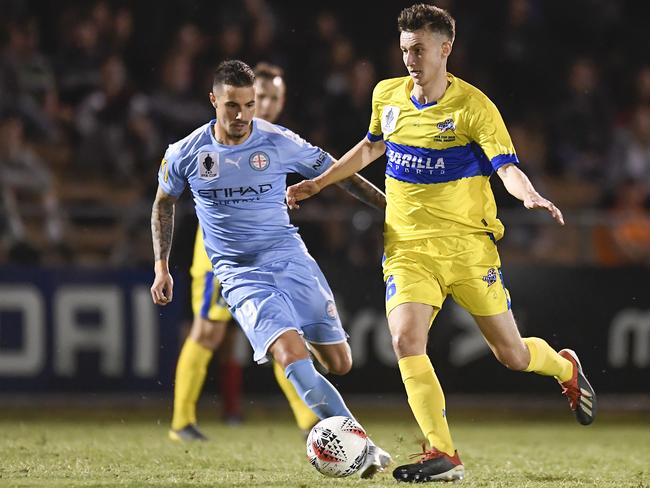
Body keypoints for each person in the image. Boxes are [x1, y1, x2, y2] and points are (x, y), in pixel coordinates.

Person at [286, 4, 597, 483]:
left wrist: (528, 193)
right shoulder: (387, 95)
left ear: (445, 49)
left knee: (512, 355)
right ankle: (443, 453)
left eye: (420, 49)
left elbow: (505, 167)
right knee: (406, 339)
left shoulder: (474, 107)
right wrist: (321, 182)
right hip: (408, 248)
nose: (411, 58)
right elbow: (371, 146)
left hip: (468, 249)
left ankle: (563, 368)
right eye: (405, 48)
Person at [151, 59, 390, 478]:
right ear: (213, 101)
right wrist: (161, 266)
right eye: (232, 106)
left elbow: (340, 172)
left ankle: (308, 381)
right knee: (285, 351)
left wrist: (390, 208)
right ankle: (361, 445)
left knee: (340, 362)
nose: (242, 115)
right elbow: (163, 202)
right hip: (239, 272)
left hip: (289, 258)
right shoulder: (186, 153)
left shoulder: (279, 141)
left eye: (248, 104)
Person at [169, 62, 319, 442]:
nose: (265, 104)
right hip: (220, 257)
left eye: (273, 98)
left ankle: (309, 421)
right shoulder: (217, 141)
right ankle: (181, 421)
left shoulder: (276, 141)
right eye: (260, 96)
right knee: (208, 333)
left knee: (280, 331)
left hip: (266, 255)